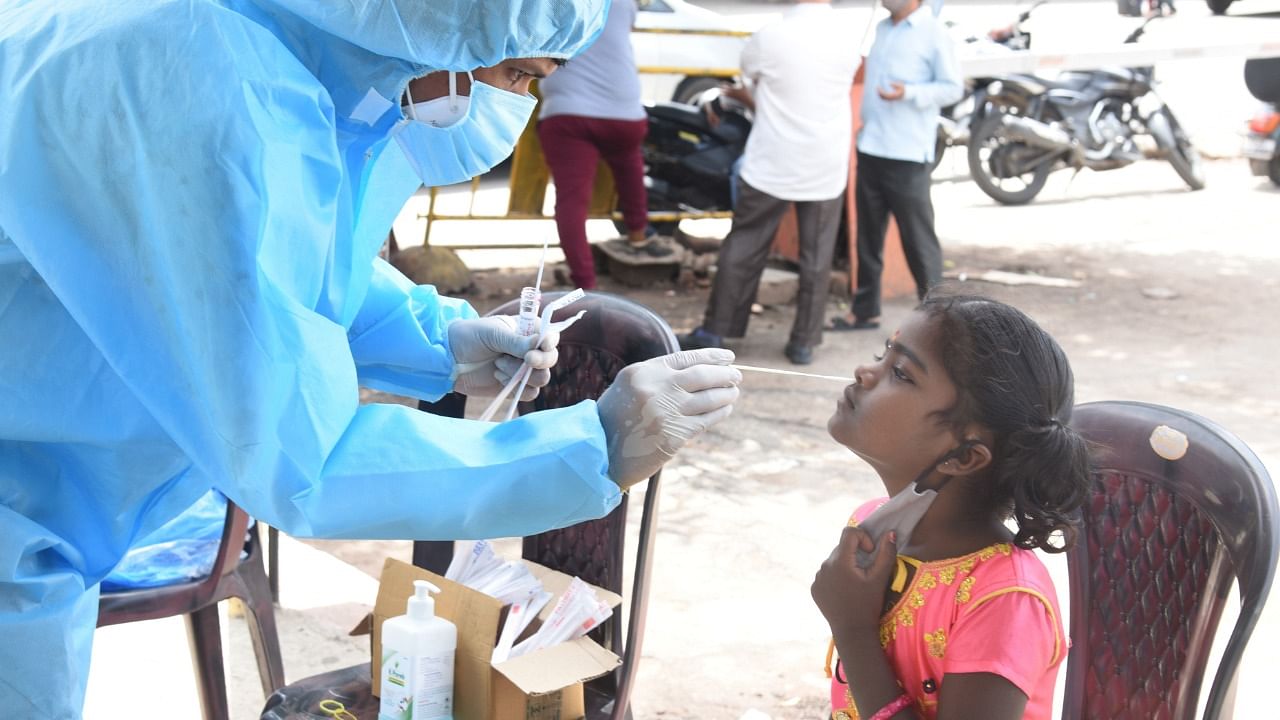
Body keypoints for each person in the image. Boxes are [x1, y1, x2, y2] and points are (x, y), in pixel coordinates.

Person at [0, 1, 742, 717]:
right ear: (440, 21)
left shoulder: (239, 46)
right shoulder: (206, 90)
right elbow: (301, 456)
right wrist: (590, 449)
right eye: (522, 74)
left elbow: (270, 265)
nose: (519, 102)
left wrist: (434, 339)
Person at [811, 293, 1092, 719]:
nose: (865, 372)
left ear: (963, 457)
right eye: (882, 355)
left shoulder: (1004, 600)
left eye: (901, 374)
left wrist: (853, 631)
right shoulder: (869, 526)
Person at [678, 0, 859, 366]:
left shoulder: (769, 36)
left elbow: (752, 86)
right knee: (816, 256)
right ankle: (803, 342)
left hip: (773, 160)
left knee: (744, 245)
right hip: (825, 162)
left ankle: (716, 330)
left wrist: (751, 96)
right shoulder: (847, 37)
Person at [830, 0, 962, 333]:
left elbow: (952, 88)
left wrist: (910, 93)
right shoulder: (883, 28)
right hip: (872, 146)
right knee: (868, 238)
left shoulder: (933, 33)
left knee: (918, 241)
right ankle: (865, 311)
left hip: (907, 153)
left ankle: (938, 322)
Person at [537, 0, 670, 291]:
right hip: (623, 109)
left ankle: (585, 283)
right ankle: (637, 233)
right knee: (629, 166)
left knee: (571, 201)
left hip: (567, 110)